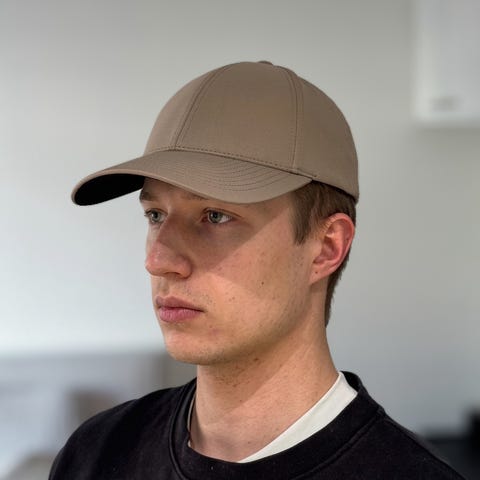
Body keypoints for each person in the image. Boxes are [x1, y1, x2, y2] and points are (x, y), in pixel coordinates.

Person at [49, 61, 464, 479]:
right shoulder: (97, 453)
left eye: (215, 216)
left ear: (326, 247)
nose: (158, 261)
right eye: (155, 215)